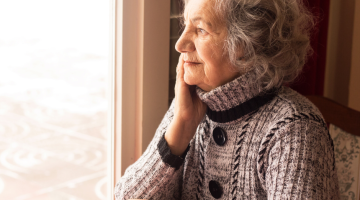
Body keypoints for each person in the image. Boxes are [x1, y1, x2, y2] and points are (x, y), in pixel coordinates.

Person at [115, 0, 339, 199]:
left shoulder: (295, 129)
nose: (180, 44)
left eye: (201, 29)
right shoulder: (187, 106)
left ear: (246, 43)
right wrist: (179, 132)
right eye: (185, 26)